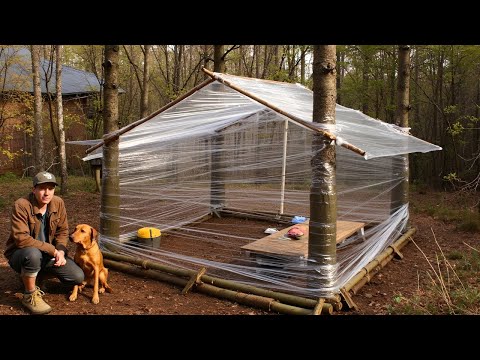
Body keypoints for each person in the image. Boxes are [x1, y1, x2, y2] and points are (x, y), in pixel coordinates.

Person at [4, 171, 84, 315]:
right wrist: (52, 249)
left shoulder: (58, 203)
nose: (47, 193)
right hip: (21, 254)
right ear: (33, 189)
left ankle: (34, 275)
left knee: (77, 277)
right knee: (32, 254)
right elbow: (21, 239)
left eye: (51, 188)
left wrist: (60, 250)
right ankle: (29, 294)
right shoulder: (21, 205)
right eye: (42, 188)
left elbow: (63, 231)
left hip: (48, 255)